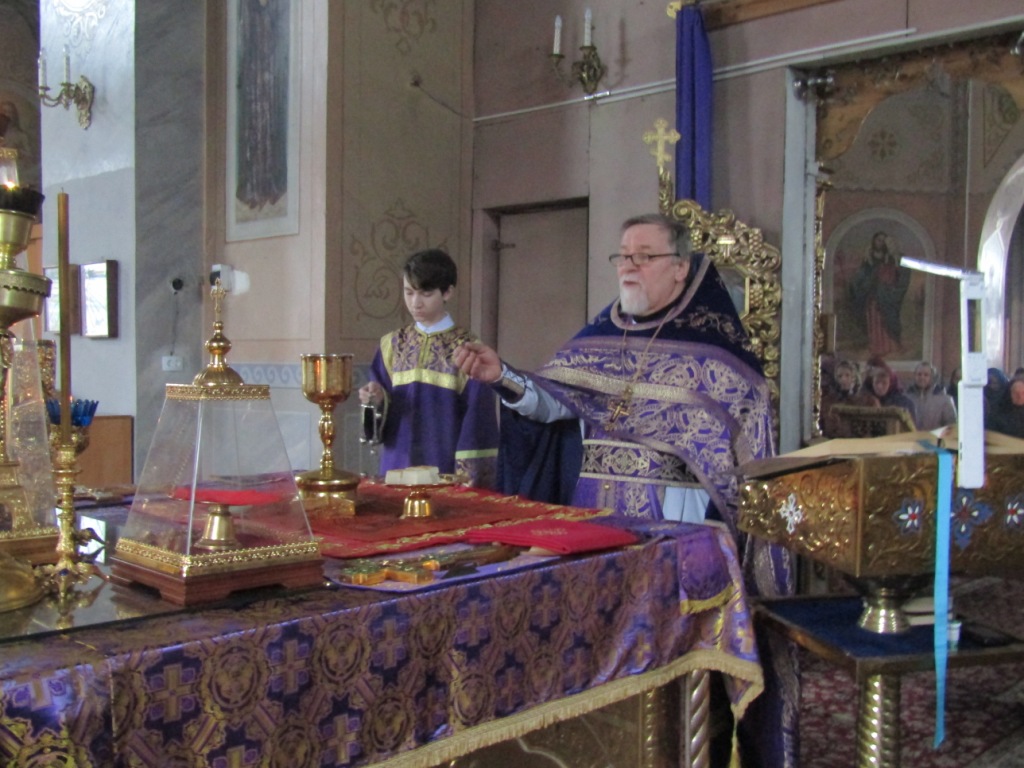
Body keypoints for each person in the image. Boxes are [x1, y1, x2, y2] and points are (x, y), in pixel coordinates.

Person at [454, 212, 796, 767]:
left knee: (672, 664)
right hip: (595, 526)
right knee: (600, 657)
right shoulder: (595, 341)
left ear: (680, 268)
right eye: (623, 255)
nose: (629, 266)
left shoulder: (723, 359)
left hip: (679, 532)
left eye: (645, 255)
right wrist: (504, 377)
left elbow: (747, 470)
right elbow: (553, 405)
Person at [358, 249, 498, 487]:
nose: (415, 303)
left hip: (444, 471)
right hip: (396, 467)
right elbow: (376, 416)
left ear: (448, 292)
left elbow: (477, 423)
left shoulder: (468, 350)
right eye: (409, 292)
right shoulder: (391, 345)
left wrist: (468, 482)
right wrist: (377, 400)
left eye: (426, 293)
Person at [848, 230, 911, 357]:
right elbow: (862, 276)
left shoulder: (891, 258)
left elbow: (900, 273)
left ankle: (891, 345)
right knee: (874, 319)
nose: (881, 243)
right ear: (874, 241)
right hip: (873, 295)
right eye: (879, 240)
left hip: (887, 295)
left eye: (883, 241)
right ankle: (877, 347)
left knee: (889, 318)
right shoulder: (869, 259)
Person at [820, 359, 881, 437]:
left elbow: (876, 426)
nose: (843, 379)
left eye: (847, 375)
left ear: (854, 377)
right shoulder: (828, 402)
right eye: (840, 376)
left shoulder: (869, 401)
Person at [906, 361, 957, 431]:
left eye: (926, 375)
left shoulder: (944, 399)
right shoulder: (906, 398)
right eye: (919, 374)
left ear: (932, 377)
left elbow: (951, 425)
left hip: (935, 437)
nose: (922, 377)